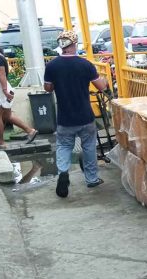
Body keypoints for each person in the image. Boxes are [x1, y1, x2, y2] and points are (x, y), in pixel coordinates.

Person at [44, 31, 109, 198]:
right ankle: (92, 179)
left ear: (61, 45)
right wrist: (106, 80)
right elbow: (101, 86)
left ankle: (63, 172)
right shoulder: (85, 64)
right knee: (88, 147)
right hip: (85, 117)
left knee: (64, 146)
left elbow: (48, 88)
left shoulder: (52, 66)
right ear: (74, 44)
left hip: (65, 118)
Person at [0, 37, 37, 150]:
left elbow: (2, 75)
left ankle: (0, 143)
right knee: (7, 115)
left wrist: (4, 91)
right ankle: (30, 131)